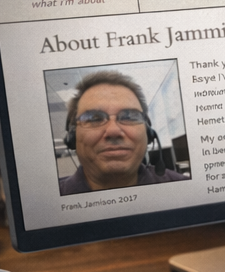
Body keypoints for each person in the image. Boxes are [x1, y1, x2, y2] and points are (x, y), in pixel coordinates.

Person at [58, 70, 188, 194]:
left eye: (129, 117)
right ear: (72, 137)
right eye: (94, 119)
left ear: (148, 133)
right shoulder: (45, 203)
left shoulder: (185, 189)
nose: (113, 131)